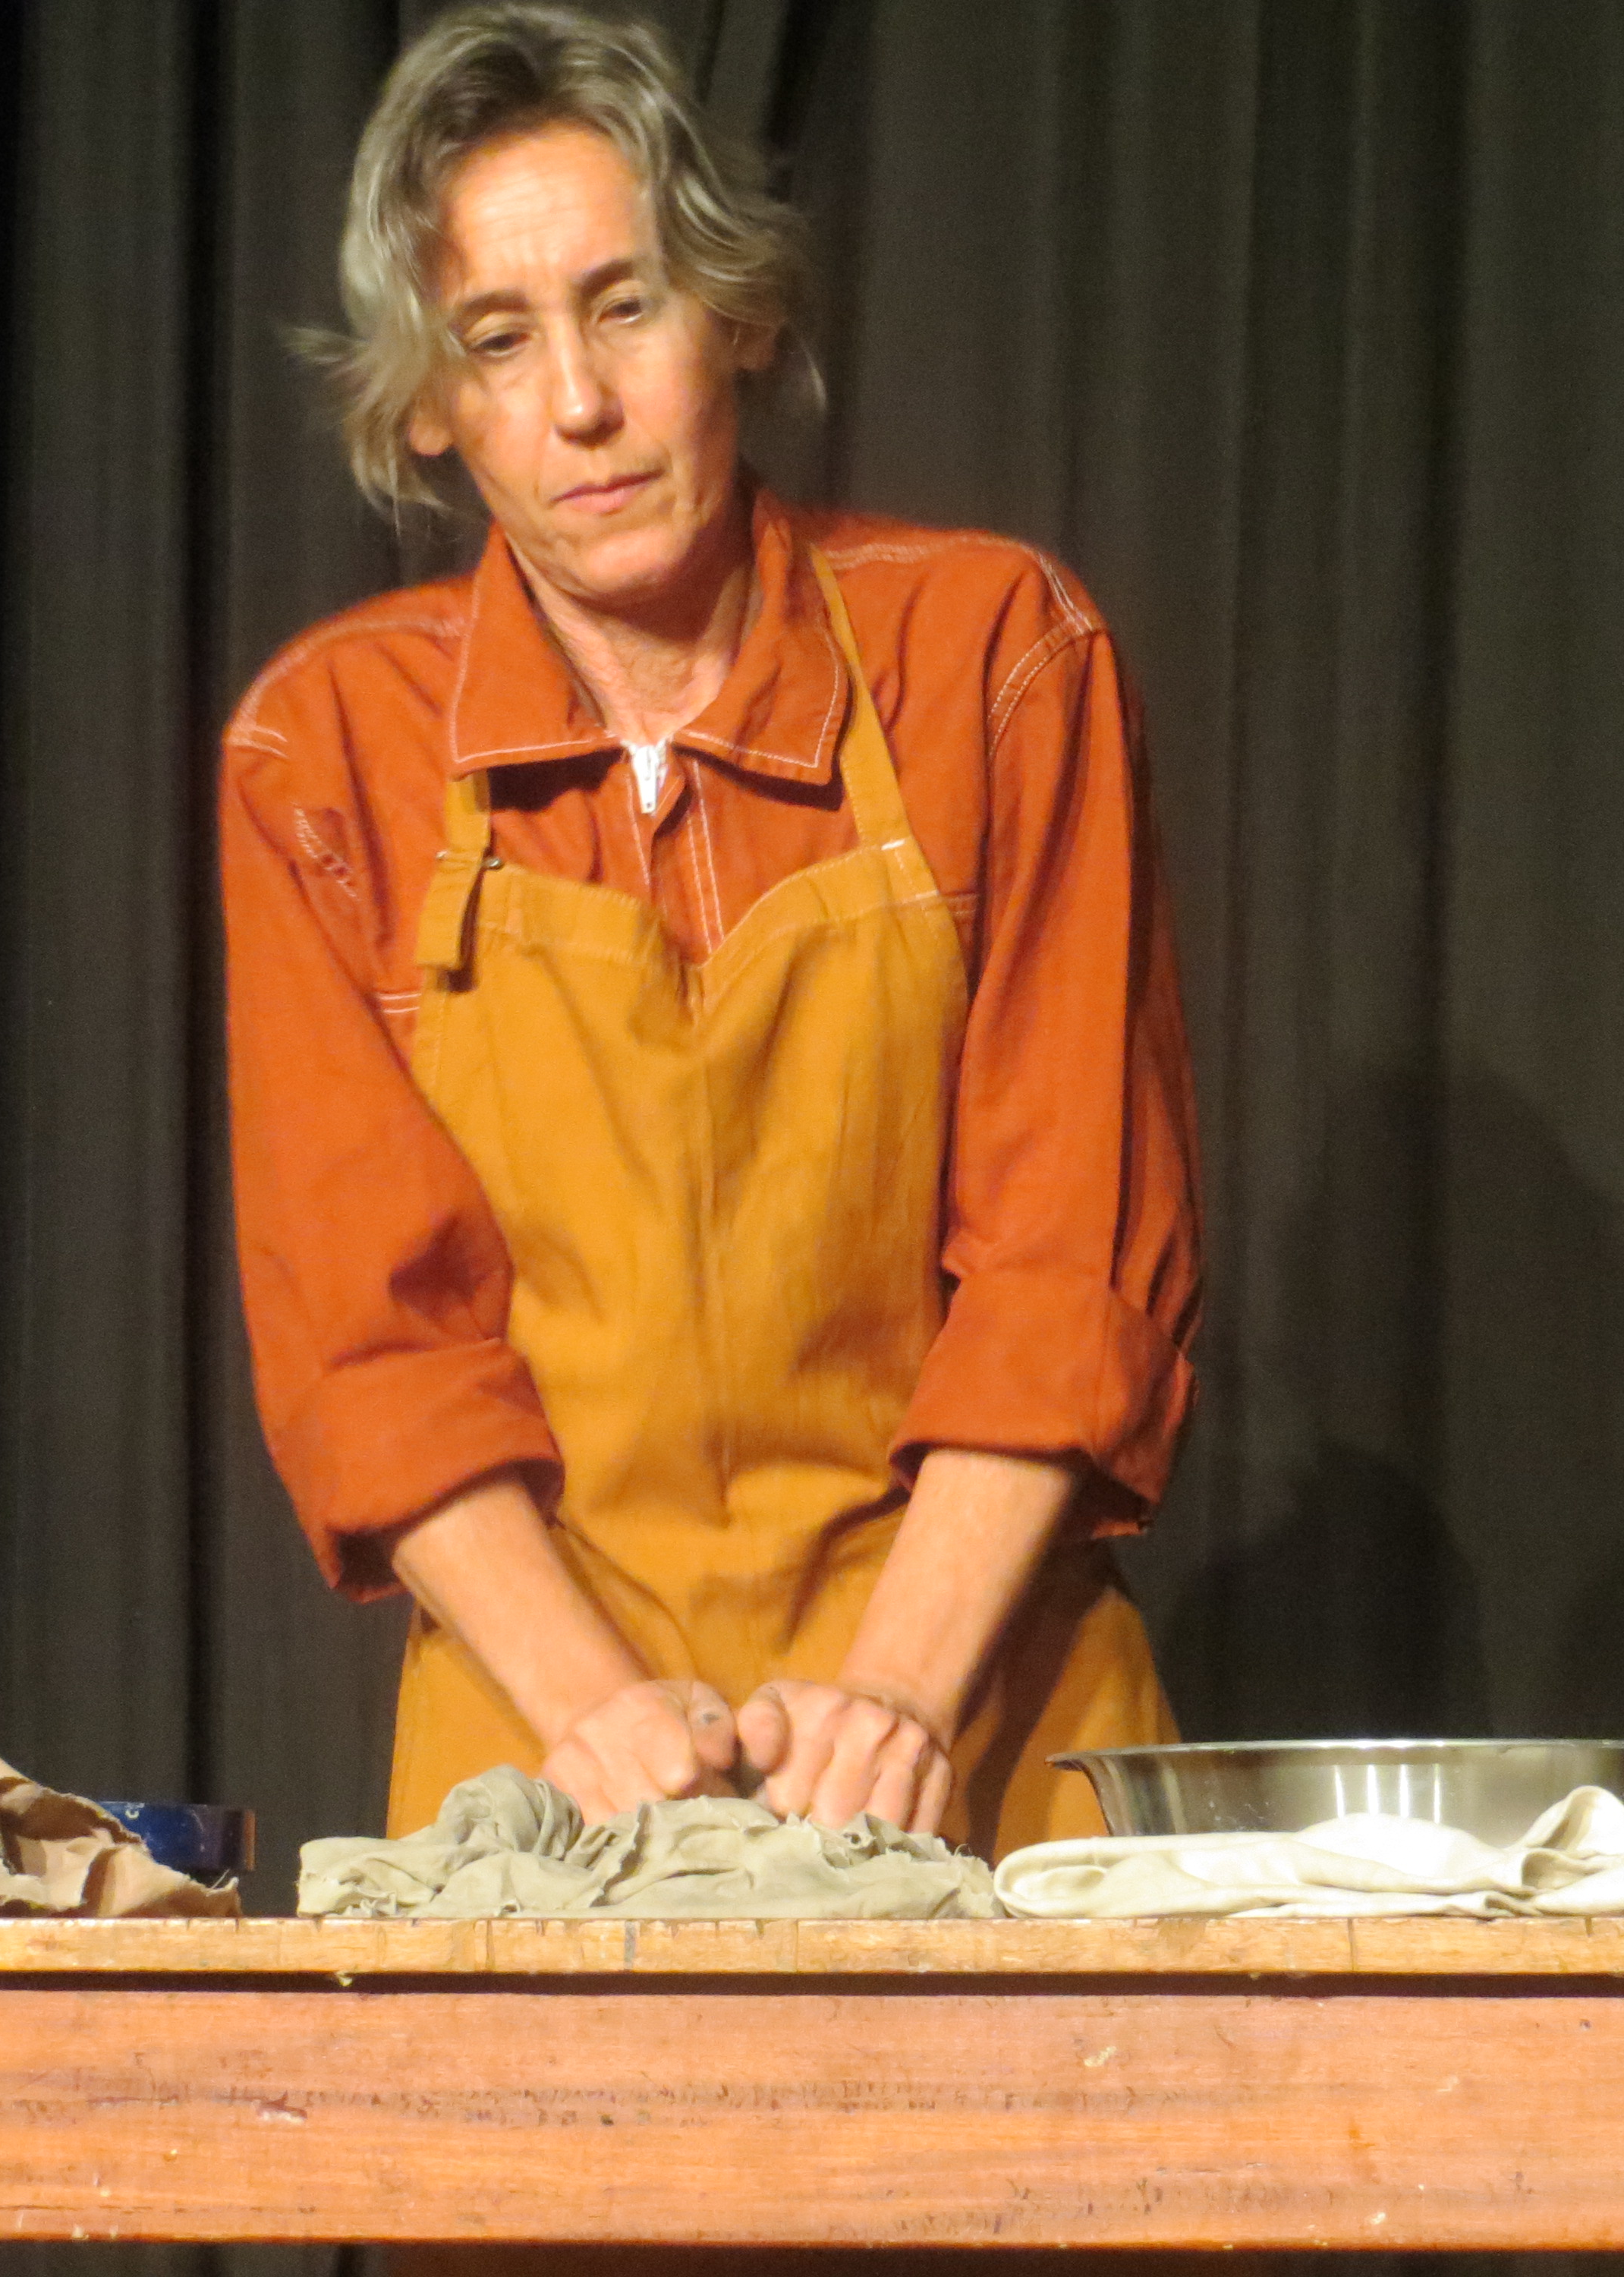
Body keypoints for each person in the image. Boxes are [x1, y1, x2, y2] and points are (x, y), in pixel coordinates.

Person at [219, 1, 1199, 1857]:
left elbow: (1066, 1255)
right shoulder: (324, 752)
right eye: (496, 341)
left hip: (979, 1712)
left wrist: (897, 1699)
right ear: (427, 406)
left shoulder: (993, 658)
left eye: (626, 304)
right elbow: (370, 1344)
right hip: (548, 1750)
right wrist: (597, 1718)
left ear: (735, 311)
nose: (577, 405)